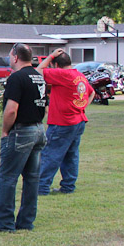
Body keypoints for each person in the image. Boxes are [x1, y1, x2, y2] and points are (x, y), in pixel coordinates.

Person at [0, 43, 48, 232]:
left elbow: (11, 110)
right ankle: (26, 221)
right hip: (38, 129)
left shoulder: (16, 78)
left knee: (8, 177)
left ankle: (4, 222)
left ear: (15, 57)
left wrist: (5, 131)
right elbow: (44, 106)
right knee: (31, 179)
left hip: (21, 131)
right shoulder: (39, 76)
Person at [36, 48, 94, 196]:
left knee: (50, 154)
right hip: (78, 120)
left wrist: (50, 56)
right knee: (71, 155)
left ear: (56, 65)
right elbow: (91, 92)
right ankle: (68, 186)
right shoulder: (79, 75)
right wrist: (82, 106)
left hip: (62, 122)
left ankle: (41, 187)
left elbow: (38, 71)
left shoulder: (62, 74)